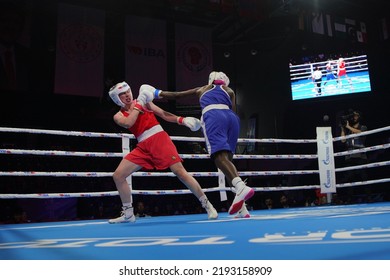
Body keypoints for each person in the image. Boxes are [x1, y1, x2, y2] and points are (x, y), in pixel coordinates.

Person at [107, 81, 218, 223]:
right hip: (143, 145)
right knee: (118, 175)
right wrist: (139, 103)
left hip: (159, 138)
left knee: (180, 172)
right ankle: (128, 214)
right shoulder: (118, 115)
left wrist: (182, 120)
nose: (127, 95)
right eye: (122, 95)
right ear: (117, 99)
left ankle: (207, 205)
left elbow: (164, 114)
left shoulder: (144, 101)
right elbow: (129, 123)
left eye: (127, 91)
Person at [152, 71, 255, 218]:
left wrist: (156, 92)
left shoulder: (202, 89)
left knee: (219, 157)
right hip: (232, 120)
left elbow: (176, 95)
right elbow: (230, 109)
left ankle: (240, 187)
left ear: (210, 80)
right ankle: (242, 208)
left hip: (214, 116)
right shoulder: (230, 91)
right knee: (227, 162)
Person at [340, 110, 368, 183]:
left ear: (359, 117)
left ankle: (369, 194)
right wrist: (342, 128)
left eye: (356, 115)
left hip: (360, 156)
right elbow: (343, 140)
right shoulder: (349, 130)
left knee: (363, 176)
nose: (354, 117)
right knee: (350, 177)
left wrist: (348, 126)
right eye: (353, 115)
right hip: (350, 156)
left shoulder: (363, 127)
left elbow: (360, 133)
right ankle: (350, 194)